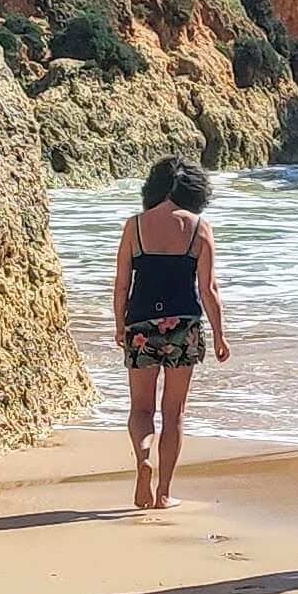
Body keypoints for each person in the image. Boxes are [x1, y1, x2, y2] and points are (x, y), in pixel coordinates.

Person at [113, 157, 229, 510]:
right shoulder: (198, 228)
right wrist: (221, 336)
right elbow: (208, 289)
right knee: (173, 411)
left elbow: (122, 285)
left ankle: (142, 458)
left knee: (141, 408)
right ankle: (163, 492)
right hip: (184, 326)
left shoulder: (134, 226)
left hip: (141, 325)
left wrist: (120, 324)